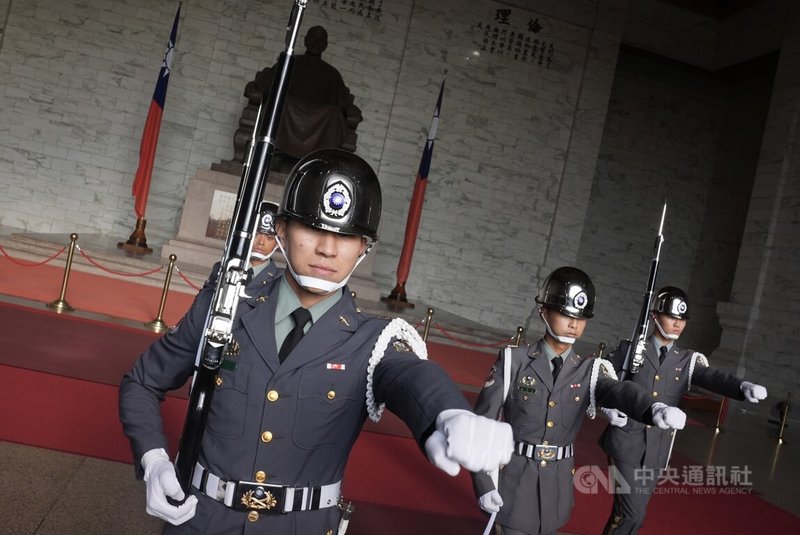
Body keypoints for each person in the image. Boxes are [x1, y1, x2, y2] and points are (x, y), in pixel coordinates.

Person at [119, 148, 513, 534]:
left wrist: (448, 414)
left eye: (347, 236)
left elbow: (411, 375)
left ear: (364, 247)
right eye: (312, 228)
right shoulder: (228, 305)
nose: (327, 248)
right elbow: (142, 381)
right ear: (282, 229)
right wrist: (153, 459)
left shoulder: (372, 341)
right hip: (199, 521)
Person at [471, 267, 688, 535]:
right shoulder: (512, 362)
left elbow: (620, 391)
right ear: (544, 311)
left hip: (556, 492)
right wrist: (484, 484)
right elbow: (481, 427)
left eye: (581, 318)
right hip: (513, 486)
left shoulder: (589, 370)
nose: (574, 324)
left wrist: (653, 408)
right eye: (565, 314)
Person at [598, 286, 768, 534]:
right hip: (626, 441)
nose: (677, 324)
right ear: (655, 316)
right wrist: (607, 408)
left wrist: (741, 387)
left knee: (628, 514)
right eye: (671, 317)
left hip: (657, 449)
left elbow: (712, 377)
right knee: (632, 515)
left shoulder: (686, 360)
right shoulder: (630, 350)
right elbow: (600, 380)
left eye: (682, 319)